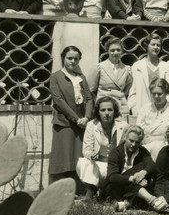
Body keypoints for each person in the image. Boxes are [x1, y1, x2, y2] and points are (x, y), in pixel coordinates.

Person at [48, 46, 93, 191]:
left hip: (82, 121)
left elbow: (89, 98)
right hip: (65, 121)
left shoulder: (81, 77)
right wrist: (76, 119)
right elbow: (58, 100)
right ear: (63, 58)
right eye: (70, 58)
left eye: (76, 58)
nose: (73, 61)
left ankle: (78, 189)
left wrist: (86, 117)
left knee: (78, 156)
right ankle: (60, 190)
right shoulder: (55, 77)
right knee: (64, 155)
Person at [105, 125, 168, 213]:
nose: (133, 145)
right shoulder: (116, 152)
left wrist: (143, 173)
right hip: (116, 187)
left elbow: (152, 165)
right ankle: (152, 200)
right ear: (125, 138)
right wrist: (132, 179)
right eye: (131, 141)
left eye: (137, 142)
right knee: (142, 166)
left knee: (149, 169)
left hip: (132, 188)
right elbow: (112, 177)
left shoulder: (142, 151)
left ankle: (126, 204)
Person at [76, 96, 128, 201]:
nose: (107, 113)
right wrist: (91, 155)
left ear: (115, 111)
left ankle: (107, 193)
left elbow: (126, 149)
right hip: (98, 165)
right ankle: (91, 190)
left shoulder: (123, 126)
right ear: (98, 112)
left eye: (110, 110)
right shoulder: (91, 125)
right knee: (83, 162)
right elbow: (86, 150)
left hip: (115, 166)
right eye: (103, 110)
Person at [128, 33, 169, 115]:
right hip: (143, 108)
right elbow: (133, 91)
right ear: (147, 46)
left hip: (163, 109)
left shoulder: (165, 66)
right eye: (153, 44)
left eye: (158, 45)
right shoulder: (137, 66)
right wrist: (134, 108)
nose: (155, 47)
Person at [87, 36, 133, 112]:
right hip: (104, 108)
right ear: (107, 51)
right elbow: (91, 90)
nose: (115, 53)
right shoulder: (99, 68)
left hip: (121, 107)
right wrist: (99, 102)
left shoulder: (127, 69)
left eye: (118, 50)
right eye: (112, 50)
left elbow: (127, 90)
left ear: (122, 51)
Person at [136, 78, 169, 145]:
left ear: (166, 93)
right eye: (154, 93)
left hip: (165, 146)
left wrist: (155, 139)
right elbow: (138, 131)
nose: (156, 96)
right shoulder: (145, 108)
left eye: (159, 94)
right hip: (145, 145)